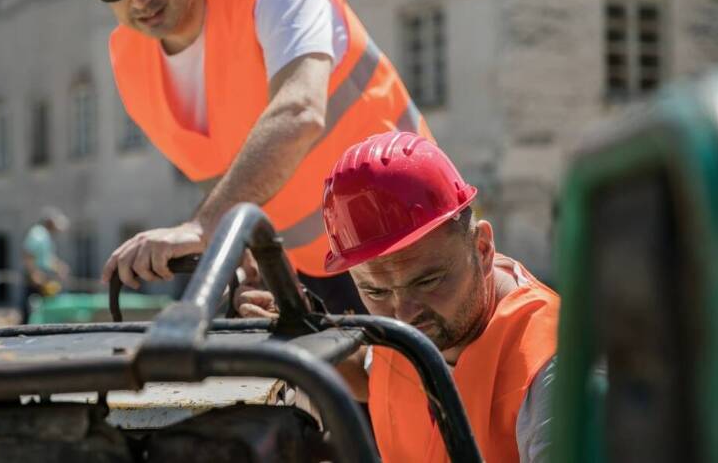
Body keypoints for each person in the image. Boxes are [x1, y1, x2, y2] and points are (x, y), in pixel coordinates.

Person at [60, 0, 432, 313]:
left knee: (444, 375)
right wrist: (256, 264)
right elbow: (224, 177)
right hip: (307, 272)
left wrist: (203, 228)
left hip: (412, 242)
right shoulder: (130, 63)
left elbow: (299, 112)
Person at [238, 131, 560, 463]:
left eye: (428, 282)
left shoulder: (552, 368)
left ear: (482, 249)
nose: (403, 315)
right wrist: (296, 334)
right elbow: (371, 375)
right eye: (375, 291)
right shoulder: (408, 328)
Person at [21, 207, 71, 323]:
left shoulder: (46, 236)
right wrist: (34, 274)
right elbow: (28, 254)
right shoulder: (38, 233)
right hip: (35, 278)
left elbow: (46, 258)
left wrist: (59, 266)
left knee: (42, 308)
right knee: (31, 309)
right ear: (50, 222)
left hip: (44, 277)